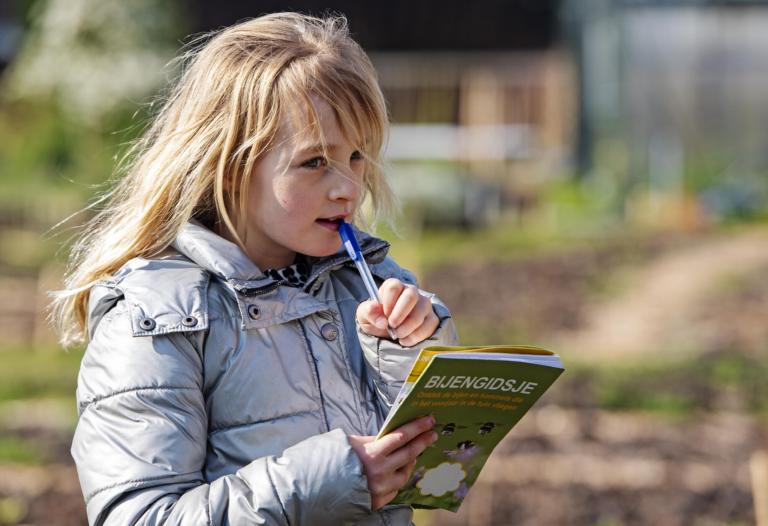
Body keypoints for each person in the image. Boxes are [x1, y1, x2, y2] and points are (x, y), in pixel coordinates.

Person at [51, 12, 458, 526]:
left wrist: (411, 352)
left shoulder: (367, 285)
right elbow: (139, 517)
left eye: (358, 157)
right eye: (314, 162)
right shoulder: (156, 319)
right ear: (228, 163)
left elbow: (431, 468)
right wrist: (325, 482)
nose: (349, 187)